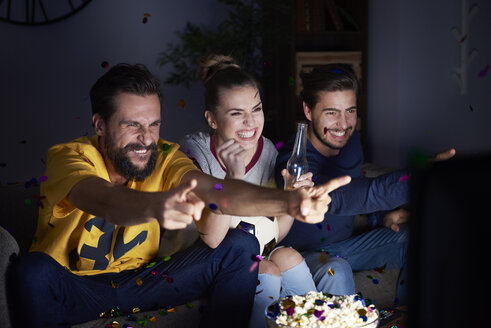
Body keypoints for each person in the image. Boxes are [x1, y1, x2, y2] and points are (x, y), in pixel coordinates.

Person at [6, 63, 349, 328]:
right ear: (99, 125)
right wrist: (156, 206)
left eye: (154, 124)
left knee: (241, 246)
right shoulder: (69, 156)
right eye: (132, 125)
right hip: (78, 287)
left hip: (145, 282)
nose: (146, 139)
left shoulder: (167, 155)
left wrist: (291, 202)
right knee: (32, 270)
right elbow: (103, 199)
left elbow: (215, 192)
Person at [274, 64, 455, 305]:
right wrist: (418, 176)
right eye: (331, 112)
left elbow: (359, 191)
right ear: (308, 110)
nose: (343, 124)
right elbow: (344, 197)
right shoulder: (294, 162)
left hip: (347, 245)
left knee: (424, 235)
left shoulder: (348, 140)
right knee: (335, 270)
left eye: (350, 111)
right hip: (305, 254)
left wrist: (383, 216)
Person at [179, 54, 321, 328]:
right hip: (203, 257)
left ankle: (321, 322)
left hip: (251, 252)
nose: (250, 122)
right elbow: (212, 240)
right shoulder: (193, 152)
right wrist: (233, 178)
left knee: (288, 257)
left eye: (256, 109)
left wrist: (292, 196)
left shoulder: (267, 150)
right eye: (236, 113)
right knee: (265, 267)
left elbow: (272, 234)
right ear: (212, 119)